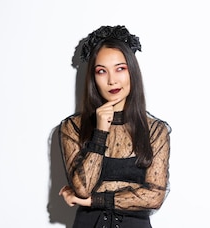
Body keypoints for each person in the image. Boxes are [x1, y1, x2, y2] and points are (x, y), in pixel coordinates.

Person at [58, 25, 171, 228]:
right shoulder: (72, 127)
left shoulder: (155, 131)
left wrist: (95, 201)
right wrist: (100, 132)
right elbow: (83, 188)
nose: (112, 80)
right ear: (93, 78)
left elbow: (155, 196)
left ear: (132, 72)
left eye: (120, 68)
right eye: (102, 71)